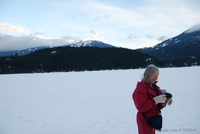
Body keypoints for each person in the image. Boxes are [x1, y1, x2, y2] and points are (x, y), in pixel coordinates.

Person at [132, 64, 172, 134]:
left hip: (154, 118)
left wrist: (165, 100)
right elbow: (141, 107)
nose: (157, 78)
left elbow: (158, 106)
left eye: (157, 76)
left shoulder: (155, 88)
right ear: (148, 75)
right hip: (145, 119)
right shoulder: (140, 89)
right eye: (155, 76)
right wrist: (155, 100)